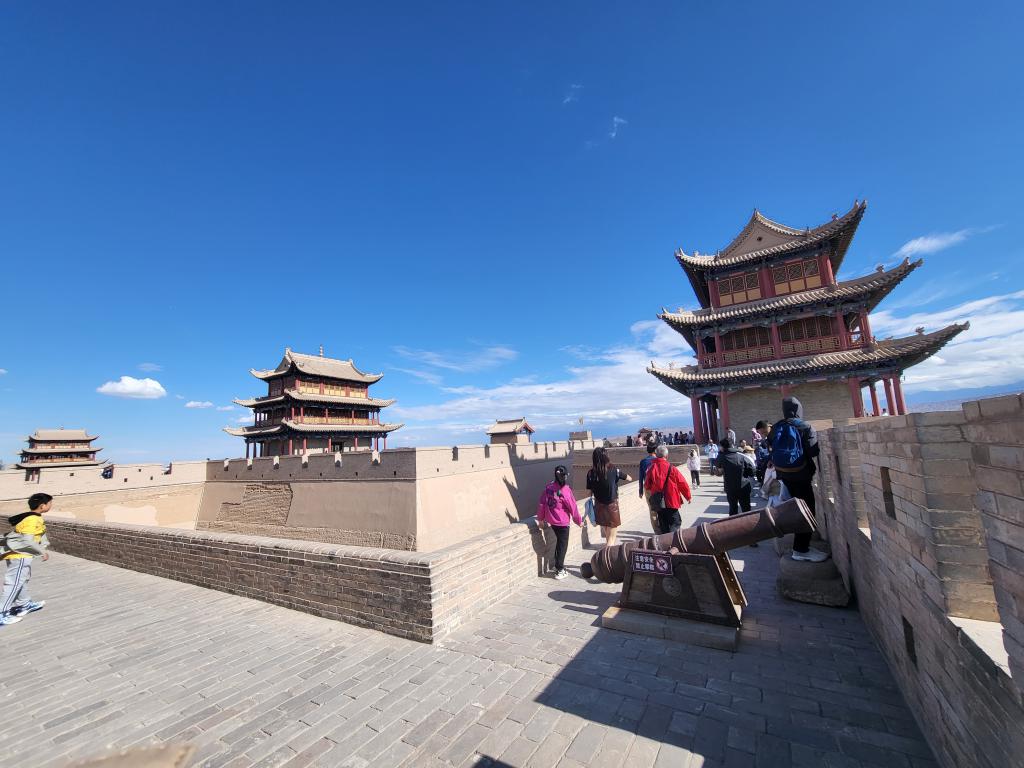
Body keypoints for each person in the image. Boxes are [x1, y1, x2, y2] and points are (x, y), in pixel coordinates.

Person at [769, 397, 829, 562]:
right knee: (807, 510)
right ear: (798, 410)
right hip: (802, 476)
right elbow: (812, 452)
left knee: (794, 508)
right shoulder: (804, 426)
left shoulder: (776, 427)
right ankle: (801, 549)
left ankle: (800, 546)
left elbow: (771, 448)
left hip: (784, 475)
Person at [1, 492, 52, 627]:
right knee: (13, 583)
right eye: (50, 503)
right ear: (42, 506)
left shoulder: (30, 517)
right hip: (20, 556)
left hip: (19, 555)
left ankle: (24, 605)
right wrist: (43, 551)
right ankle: (2, 614)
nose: (51, 505)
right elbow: (28, 539)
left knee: (20, 580)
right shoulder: (32, 520)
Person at [536, 466, 582, 580]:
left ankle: (557, 566)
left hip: (552, 522)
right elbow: (573, 507)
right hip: (562, 523)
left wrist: (540, 519)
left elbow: (542, 504)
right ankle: (560, 570)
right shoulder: (565, 490)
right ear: (565, 476)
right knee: (562, 546)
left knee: (559, 544)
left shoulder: (549, 488)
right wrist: (579, 521)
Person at [586, 447, 632, 547]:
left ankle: (607, 554)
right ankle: (607, 558)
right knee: (611, 540)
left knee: (607, 534)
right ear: (606, 457)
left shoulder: (590, 473)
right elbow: (628, 478)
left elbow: (589, 492)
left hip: (599, 506)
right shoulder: (613, 469)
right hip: (612, 506)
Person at [644, 445, 692, 533]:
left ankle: (665, 542)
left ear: (656, 455)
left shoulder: (651, 468)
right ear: (666, 456)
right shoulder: (672, 468)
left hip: (659, 502)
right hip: (671, 500)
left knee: (663, 524)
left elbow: (647, 485)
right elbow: (682, 483)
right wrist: (688, 496)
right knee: (676, 522)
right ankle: (672, 540)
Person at [718, 438, 757, 546]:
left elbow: (718, 471)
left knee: (733, 510)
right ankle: (751, 539)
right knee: (747, 511)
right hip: (744, 487)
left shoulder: (722, 457)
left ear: (723, 447)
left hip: (731, 488)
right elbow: (752, 470)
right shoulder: (741, 455)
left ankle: (733, 537)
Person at [638, 440, 661, 534]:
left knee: (652, 511)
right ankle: (663, 529)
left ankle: (657, 531)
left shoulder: (643, 462)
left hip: (647, 489)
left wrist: (640, 491)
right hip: (659, 488)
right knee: (661, 508)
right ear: (655, 450)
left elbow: (640, 477)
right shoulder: (659, 461)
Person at [754, 420, 771, 484]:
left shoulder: (775, 436)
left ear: (767, 427)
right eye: (761, 433)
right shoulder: (768, 439)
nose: (762, 435)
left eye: (763, 432)